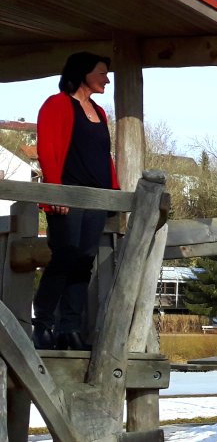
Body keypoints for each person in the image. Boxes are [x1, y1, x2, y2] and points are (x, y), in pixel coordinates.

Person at [34, 52, 119, 351]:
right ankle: (43, 324)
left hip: (96, 198)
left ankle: (69, 329)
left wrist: (114, 194)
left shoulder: (99, 112)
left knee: (84, 262)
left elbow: (103, 157)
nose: (106, 78)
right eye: (101, 73)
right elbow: (47, 149)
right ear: (83, 73)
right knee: (64, 257)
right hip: (67, 197)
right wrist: (55, 192)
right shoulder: (57, 104)